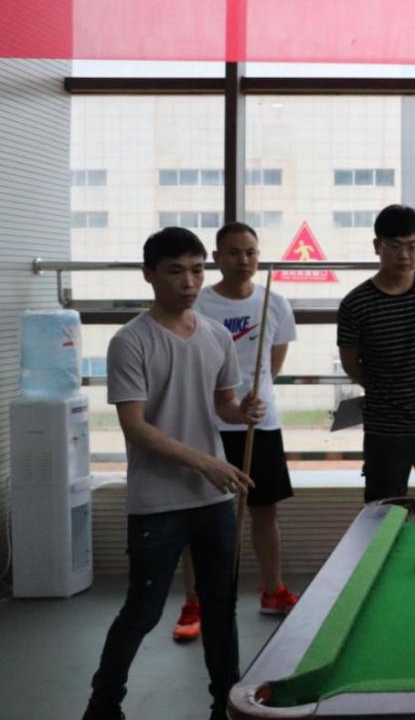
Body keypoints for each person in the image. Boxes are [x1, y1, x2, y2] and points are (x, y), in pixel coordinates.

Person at [82, 228, 263, 720]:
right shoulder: (130, 341)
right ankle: (103, 705)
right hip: (158, 502)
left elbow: (223, 405)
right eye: (176, 271)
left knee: (222, 607)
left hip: (214, 501)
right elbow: (135, 426)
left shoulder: (217, 336)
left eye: (198, 271)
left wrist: (242, 411)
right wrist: (205, 461)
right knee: (143, 611)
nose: (189, 282)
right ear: (149, 274)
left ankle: (225, 703)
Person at [170, 222, 300, 645]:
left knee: (264, 511)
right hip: (207, 423)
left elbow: (272, 365)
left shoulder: (275, 303)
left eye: (250, 252)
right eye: (233, 252)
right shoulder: (199, 304)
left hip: (260, 423)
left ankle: (273, 591)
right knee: (200, 517)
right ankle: (195, 602)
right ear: (217, 258)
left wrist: (254, 399)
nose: (243, 260)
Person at [338, 204, 415, 502]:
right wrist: (387, 386)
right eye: (395, 246)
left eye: (412, 246)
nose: (404, 255)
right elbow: (350, 363)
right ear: (377, 246)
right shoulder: (355, 304)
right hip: (385, 430)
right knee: (383, 509)